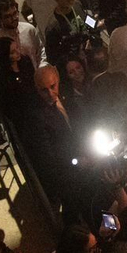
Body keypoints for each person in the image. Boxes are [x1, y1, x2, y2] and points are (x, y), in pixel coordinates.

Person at [24, 65, 80, 211]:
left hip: (79, 151)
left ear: (58, 80)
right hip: (67, 168)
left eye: (53, 86)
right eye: (44, 90)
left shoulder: (66, 93)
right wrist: (79, 162)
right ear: (37, 89)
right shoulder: (36, 118)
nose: (50, 93)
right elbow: (49, 157)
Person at [0, 0, 44, 69]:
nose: (14, 18)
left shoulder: (29, 29)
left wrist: (42, 68)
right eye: (8, 16)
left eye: (15, 13)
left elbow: (41, 51)